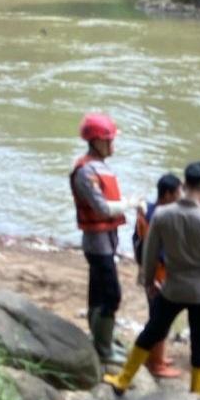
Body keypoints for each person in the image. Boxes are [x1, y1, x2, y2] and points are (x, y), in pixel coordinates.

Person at [104, 162, 200, 395]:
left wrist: (149, 282)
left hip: (171, 287)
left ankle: (123, 379)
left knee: (151, 332)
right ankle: (195, 395)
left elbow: (150, 253)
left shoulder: (163, 215)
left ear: (184, 184)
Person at [70, 112, 138, 365]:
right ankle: (103, 348)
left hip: (106, 240)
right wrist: (129, 204)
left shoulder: (97, 167)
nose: (113, 145)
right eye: (109, 140)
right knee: (111, 295)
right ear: (96, 141)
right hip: (97, 243)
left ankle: (102, 341)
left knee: (98, 293)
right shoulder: (85, 171)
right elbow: (102, 208)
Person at [133, 172, 183, 378]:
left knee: (157, 316)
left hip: (149, 272)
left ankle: (152, 356)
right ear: (168, 194)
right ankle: (157, 364)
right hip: (158, 275)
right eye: (179, 192)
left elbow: (137, 243)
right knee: (160, 319)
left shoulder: (147, 213)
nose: (181, 196)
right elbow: (157, 250)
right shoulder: (159, 217)